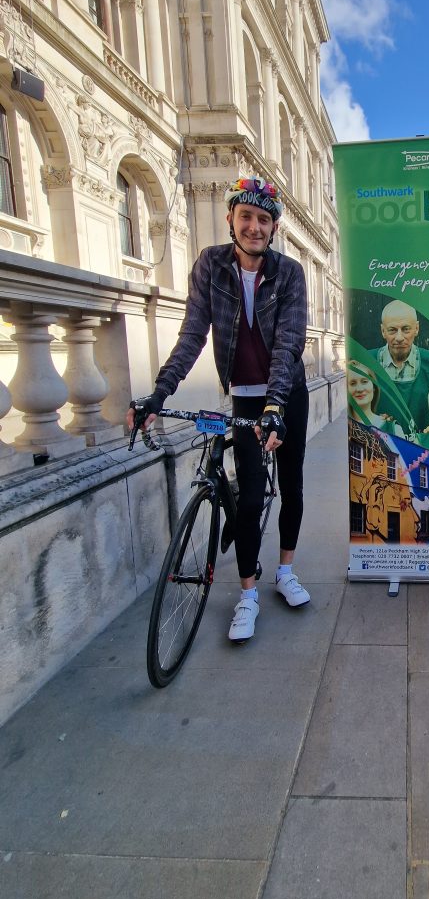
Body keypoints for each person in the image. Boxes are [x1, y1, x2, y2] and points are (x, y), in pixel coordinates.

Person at [126, 174, 310, 643]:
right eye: (246, 216)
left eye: (263, 219)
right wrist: (158, 394)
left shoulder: (289, 273)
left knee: (291, 484)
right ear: (231, 219)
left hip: (287, 393)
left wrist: (276, 406)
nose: (254, 226)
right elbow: (192, 335)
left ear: (273, 229)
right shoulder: (210, 265)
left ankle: (285, 572)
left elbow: (288, 344)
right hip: (245, 395)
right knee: (248, 498)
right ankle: (247, 592)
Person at [371, 300, 429, 432]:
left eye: (406, 329)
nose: (399, 337)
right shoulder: (367, 363)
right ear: (383, 331)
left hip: (422, 448)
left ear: (416, 328)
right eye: (392, 330)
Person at [347, 360, 405, 437]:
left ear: (374, 386)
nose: (359, 389)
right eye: (353, 383)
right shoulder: (342, 430)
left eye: (364, 381)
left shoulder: (394, 429)